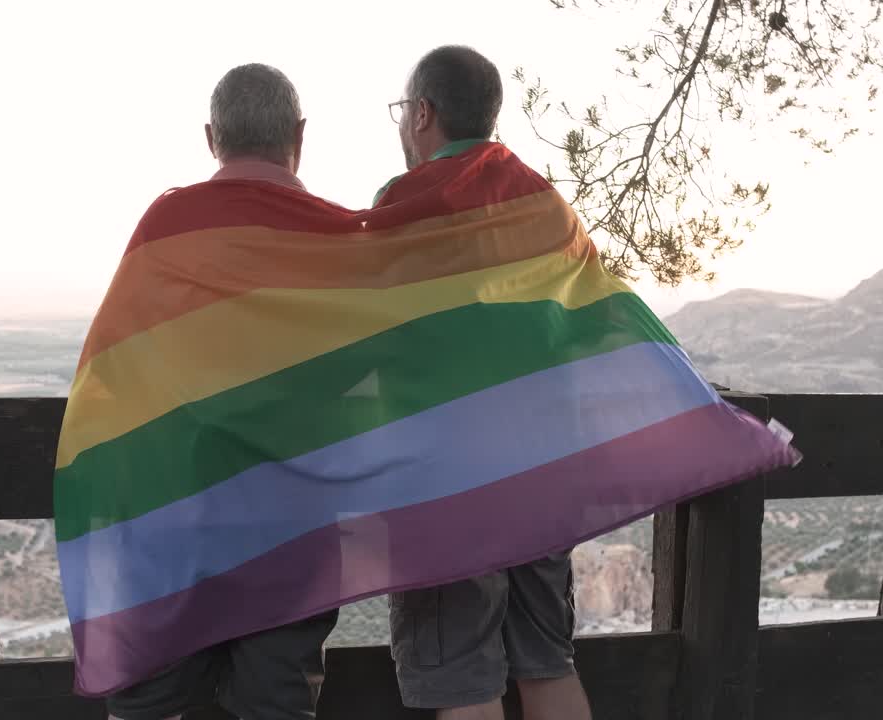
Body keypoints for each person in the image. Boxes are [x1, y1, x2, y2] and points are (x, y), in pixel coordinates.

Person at [104, 63, 339, 720]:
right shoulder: (335, 235)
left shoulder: (167, 227)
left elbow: (119, 367)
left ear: (212, 137)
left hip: (174, 524)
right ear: (299, 135)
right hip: (292, 528)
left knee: (149, 706)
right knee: (276, 706)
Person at [376, 46, 594, 720]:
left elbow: (378, 339)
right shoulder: (546, 203)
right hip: (546, 468)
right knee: (548, 661)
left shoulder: (406, 201)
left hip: (449, 479)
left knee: (462, 681)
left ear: (422, 114)